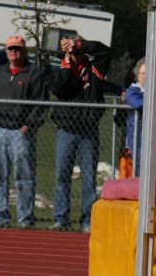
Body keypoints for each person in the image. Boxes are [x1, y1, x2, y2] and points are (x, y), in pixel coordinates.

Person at [0, 35, 47, 229]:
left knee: (24, 176)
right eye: (10, 48)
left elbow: (41, 103)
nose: (13, 52)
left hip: (21, 132)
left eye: (17, 49)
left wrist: (28, 126)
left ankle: (25, 218)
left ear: (24, 51)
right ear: (6, 50)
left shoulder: (33, 73)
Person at [49, 37, 111, 233]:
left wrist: (78, 44)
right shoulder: (63, 70)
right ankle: (61, 218)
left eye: (76, 52)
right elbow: (58, 90)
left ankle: (87, 220)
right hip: (66, 130)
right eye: (70, 53)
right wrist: (67, 68)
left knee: (88, 178)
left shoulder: (95, 68)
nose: (74, 56)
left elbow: (105, 51)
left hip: (88, 130)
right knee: (62, 175)